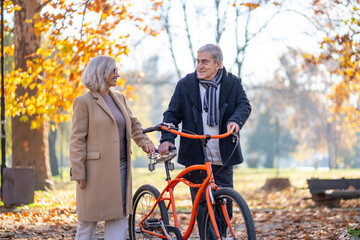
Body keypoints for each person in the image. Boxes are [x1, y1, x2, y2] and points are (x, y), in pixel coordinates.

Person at [158, 44, 251, 239]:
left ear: (218, 64)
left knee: (224, 207)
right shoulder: (185, 84)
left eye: (204, 62)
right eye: (197, 61)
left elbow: (244, 105)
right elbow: (172, 114)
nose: (199, 66)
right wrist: (167, 138)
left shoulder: (232, 83)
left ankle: (221, 236)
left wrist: (235, 120)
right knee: (203, 209)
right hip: (196, 154)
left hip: (223, 153)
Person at [69, 55, 155, 240]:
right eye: (114, 70)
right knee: (87, 223)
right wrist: (78, 172)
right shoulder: (84, 102)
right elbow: (77, 140)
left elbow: (133, 124)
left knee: (119, 219)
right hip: (94, 172)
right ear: (101, 73)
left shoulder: (120, 98)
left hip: (121, 169)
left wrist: (145, 142)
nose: (118, 74)